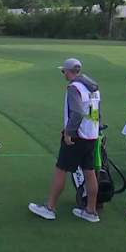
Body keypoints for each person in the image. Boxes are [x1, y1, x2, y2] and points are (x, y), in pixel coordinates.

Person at [29, 58, 102, 223]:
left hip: (77, 136)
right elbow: (96, 111)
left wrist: (69, 133)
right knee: (89, 172)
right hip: (91, 135)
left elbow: (76, 113)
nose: (63, 74)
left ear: (69, 71)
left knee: (61, 169)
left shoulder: (73, 88)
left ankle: (50, 208)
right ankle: (91, 210)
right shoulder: (93, 87)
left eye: (64, 71)